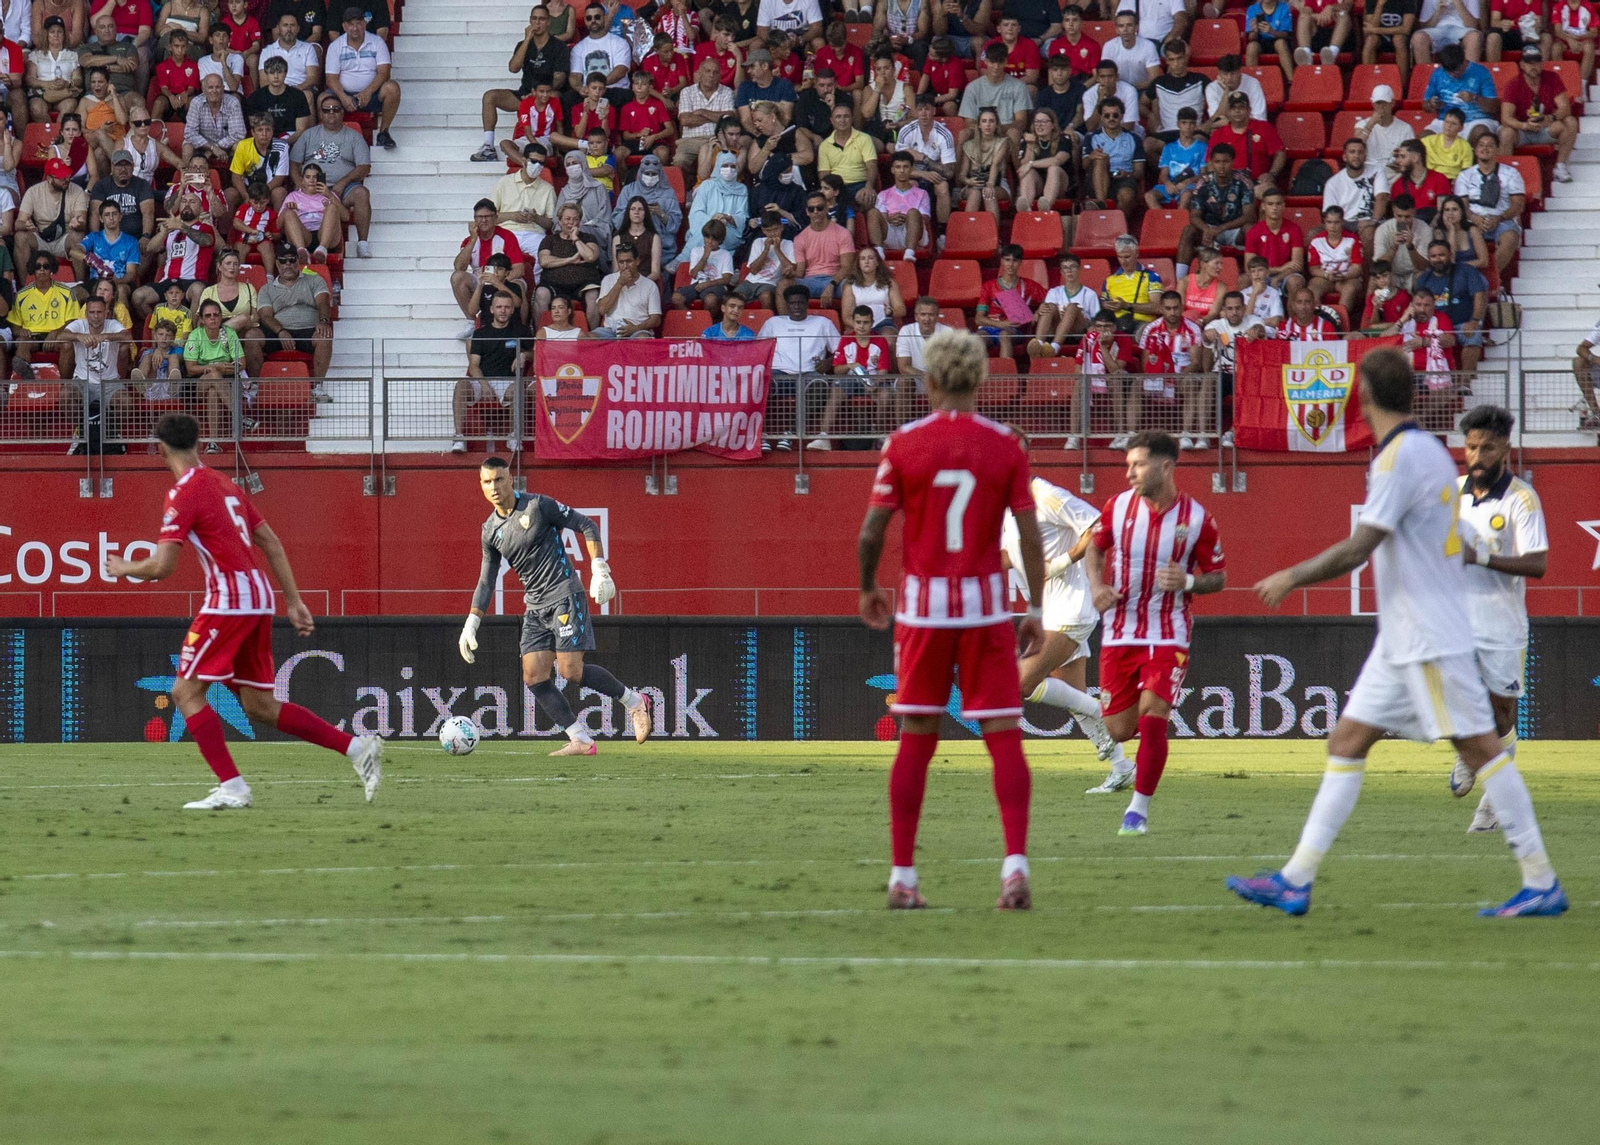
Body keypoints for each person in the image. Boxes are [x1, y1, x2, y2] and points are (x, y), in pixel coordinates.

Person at [1231, 348, 1565, 918]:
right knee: (1347, 741)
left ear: (1361, 395)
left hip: (1426, 635)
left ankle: (1540, 880)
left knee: (1482, 748)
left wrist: (1293, 574)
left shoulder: (1397, 460)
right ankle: (1295, 879)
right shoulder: (1430, 453)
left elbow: (1362, 545)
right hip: (1403, 636)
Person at [101, 413, 382, 809]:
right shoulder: (224, 484)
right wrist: (293, 599)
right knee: (259, 706)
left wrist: (125, 567)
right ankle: (357, 748)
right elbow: (270, 541)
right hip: (258, 598)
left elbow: (162, 566)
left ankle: (232, 786)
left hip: (229, 601)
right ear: (197, 444)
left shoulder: (184, 492)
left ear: (160, 448)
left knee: (185, 691)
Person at [857, 327, 1045, 910]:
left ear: (930, 380)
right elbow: (1031, 534)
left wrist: (868, 587)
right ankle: (1014, 868)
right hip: (986, 608)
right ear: (982, 379)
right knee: (1004, 737)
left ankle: (903, 878)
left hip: (923, 610)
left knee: (916, 740)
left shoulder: (903, 444)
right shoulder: (1006, 446)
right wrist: (1035, 606)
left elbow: (871, 531)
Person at [457, 456, 652, 755]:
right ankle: (581, 740)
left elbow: (585, 524)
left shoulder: (538, 506)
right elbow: (486, 582)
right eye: (487, 482)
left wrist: (599, 568)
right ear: (481, 486)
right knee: (534, 676)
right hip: (535, 607)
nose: (493, 487)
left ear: (511, 480)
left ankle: (635, 703)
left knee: (570, 671)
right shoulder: (490, 531)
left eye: (499, 479)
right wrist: (472, 623)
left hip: (564, 594)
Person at [1082, 431, 1226, 836]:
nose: (1128, 473)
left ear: (1165, 466)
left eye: (1137, 464)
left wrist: (1189, 582)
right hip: (1119, 632)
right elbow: (1094, 548)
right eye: (1127, 465)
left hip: (1169, 632)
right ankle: (1134, 779)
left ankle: (1137, 811)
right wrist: (1096, 588)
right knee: (1119, 728)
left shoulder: (1197, 519)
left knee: (1154, 713)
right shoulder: (1117, 507)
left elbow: (1217, 578)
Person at [1450, 405, 1549, 832]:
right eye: (1471, 446)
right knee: (1454, 701)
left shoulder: (1521, 499)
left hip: (1501, 624)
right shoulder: (1449, 493)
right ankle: (1467, 754)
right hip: (1453, 621)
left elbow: (1538, 564)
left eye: (1487, 447)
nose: (1477, 456)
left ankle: (1493, 800)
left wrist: (1480, 557)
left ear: (1505, 448)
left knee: (1503, 711)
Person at [1001, 474, 1129, 785]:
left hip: (1072, 608)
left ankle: (1103, 713)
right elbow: (1007, 558)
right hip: (1050, 611)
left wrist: (1067, 559)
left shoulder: (1045, 494)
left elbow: (1097, 525)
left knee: (1020, 683)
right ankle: (1122, 768)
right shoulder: (1005, 509)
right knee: (1075, 698)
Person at [473, 6, 570, 161]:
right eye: (534, 18)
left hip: (545, 95)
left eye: (542, 19)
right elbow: (513, 68)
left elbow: (559, 78)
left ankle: (557, 148)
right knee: (490, 96)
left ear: (549, 22)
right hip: (524, 95)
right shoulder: (523, 44)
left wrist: (538, 94)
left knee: (555, 96)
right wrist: (526, 41)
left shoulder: (558, 46)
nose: (537, 23)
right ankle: (488, 146)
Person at [289, 94, 372, 258]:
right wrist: (300, 183)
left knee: (362, 193)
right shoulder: (309, 135)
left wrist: (343, 182)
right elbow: (293, 163)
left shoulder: (354, 136)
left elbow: (364, 167)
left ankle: (362, 243)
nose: (331, 113)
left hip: (343, 187)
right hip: (311, 185)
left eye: (336, 109)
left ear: (342, 113)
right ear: (320, 114)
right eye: (326, 110)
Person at [451, 291, 535, 451]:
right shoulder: (480, 333)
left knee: (517, 389)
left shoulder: (522, 331)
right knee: (461, 385)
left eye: (507, 307)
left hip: (509, 381)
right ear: (491, 310)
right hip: (483, 380)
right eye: (499, 307)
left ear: (512, 310)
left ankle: (514, 437)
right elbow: (474, 364)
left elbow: (536, 353)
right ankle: (459, 439)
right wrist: (484, 385)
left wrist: (525, 354)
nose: (503, 310)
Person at [756, 283, 838, 450]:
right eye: (793, 303)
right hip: (779, 374)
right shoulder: (773, 323)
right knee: (761, 383)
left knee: (820, 385)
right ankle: (761, 436)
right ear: (787, 305)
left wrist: (828, 362)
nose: (797, 307)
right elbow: (758, 350)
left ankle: (790, 432)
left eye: (800, 303)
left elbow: (841, 352)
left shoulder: (823, 323)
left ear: (807, 303)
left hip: (809, 375)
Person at [452, 198, 530, 339]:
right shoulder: (469, 240)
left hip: (504, 278)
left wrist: (497, 281)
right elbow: (459, 266)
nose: (483, 220)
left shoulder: (507, 236)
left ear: (495, 218)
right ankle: (471, 321)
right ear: (474, 220)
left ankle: (522, 328)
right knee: (457, 277)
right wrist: (473, 239)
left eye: (487, 216)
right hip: (481, 280)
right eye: (479, 217)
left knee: (518, 285)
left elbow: (519, 269)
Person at [814, 303, 891, 445]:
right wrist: (851, 365)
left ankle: (879, 433)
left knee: (885, 395)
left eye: (866, 322)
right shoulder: (845, 340)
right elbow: (837, 370)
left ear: (872, 323)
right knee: (836, 391)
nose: (862, 326)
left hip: (873, 380)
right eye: (858, 322)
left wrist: (874, 384)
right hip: (850, 380)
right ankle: (823, 437)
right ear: (853, 323)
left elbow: (883, 371)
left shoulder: (881, 341)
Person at [1137, 291, 1207, 447]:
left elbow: (1196, 362)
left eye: (1176, 308)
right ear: (1161, 308)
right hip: (1157, 377)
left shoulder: (1193, 329)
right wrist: (1160, 378)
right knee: (1136, 385)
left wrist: (1176, 378)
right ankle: (1128, 435)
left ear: (1182, 307)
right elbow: (1145, 362)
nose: (1172, 312)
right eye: (1168, 308)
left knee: (1191, 385)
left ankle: (1186, 434)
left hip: (1182, 377)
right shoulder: (1150, 329)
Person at [256, 240, 333, 380]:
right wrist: (281, 331)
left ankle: (318, 386)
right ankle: (253, 386)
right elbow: (265, 316)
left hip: (308, 330)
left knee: (324, 335)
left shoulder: (314, 280)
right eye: (283, 261)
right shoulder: (266, 288)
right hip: (278, 332)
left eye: (292, 260)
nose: (288, 264)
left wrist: (323, 321)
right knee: (251, 336)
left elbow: (323, 302)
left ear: (298, 261)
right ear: (277, 263)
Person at [324, 5, 399, 150]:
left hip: (371, 94)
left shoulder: (377, 42)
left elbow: (384, 73)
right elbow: (331, 78)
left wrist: (368, 92)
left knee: (392, 88)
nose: (355, 28)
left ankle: (383, 133)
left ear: (365, 23)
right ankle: (328, 137)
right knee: (323, 99)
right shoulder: (335, 46)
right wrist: (343, 96)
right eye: (351, 24)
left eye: (359, 23)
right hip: (344, 95)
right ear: (344, 26)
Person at [1500, 44, 1575, 183]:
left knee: (1570, 121)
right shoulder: (1513, 84)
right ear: (1522, 65)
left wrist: (1551, 117)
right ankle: (1504, 175)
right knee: (1506, 133)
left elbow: (1565, 107)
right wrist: (1524, 126)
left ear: (1542, 63)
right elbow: (1505, 118)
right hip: (1523, 129)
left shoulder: (1552, 77)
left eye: (1537, 62)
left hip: (1545, 127)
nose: (1533, 66)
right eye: (1529, 63)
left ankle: (1560, 166)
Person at [1453, 130, 1524, 273]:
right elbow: (1461, 206)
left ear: (1497, 149)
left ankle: (1489, 279)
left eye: (1490, 145)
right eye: (1481, 145)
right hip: (1473, 219)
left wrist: (1499, 218)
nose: (1485, 148)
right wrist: (1474, 218)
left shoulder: (1511, 173)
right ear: (1475, 149)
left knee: (1510, 237)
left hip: (1501, 219)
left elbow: (1518, 205)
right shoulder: (1465, 175)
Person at [1413, 235, 1488, 370]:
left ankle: (1464, 385)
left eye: (1442, 255)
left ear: (1450, 255)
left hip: (1463, 322)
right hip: (1436, 326)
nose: (1438, 259)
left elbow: (1480, 295)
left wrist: (1475, 320)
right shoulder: (1423, 279)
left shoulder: (1466, 270)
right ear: (1429, 258)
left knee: (1473, 337)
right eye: (1433, 256)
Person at [1181, 143, 1256, 273]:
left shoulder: (1244, 182)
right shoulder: (1203, 182)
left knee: (1251, 229)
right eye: (1217, 162)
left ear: (1233, 162)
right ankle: (1179, 277)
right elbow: (1194, 215)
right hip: (1209, 228)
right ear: (1211, 163)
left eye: (1225, 161)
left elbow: (1249, 215)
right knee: (1188, 230)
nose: (1221, 166)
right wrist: (1206, 229)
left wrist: (1221, 228)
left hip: (1234, 230)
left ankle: (1251, 275)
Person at [15, 157, 88, 272]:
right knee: (20, 236)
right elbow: (18, 223)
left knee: (78, 236)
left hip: (65, 239)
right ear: (49, 179)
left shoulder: (77, 190)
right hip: (41, 239)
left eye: (67, 176)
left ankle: (81, 285)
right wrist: (25, 225)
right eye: (61, 177)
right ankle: (24, 287)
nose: (66, 180)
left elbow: (82, 221)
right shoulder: (33, 192)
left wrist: (78, 224)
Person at [1419, 43, 1498, 144]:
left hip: (1476, 120)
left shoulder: (1481, 72)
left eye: (1457, 70)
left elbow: (1493, 107)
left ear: (1464, 60)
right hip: (1446, 121)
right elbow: (1425, 106)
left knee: (1481, 133)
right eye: (1449, 71)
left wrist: (1474, 98)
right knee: (1424, 137)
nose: (1453, 74)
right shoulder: (1437, 74)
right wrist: (1431, 104)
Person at [785, 189, 853, 303]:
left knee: (851, 287)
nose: (815, 211)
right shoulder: (799, 238)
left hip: (835, 280)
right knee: (783, 284)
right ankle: (789, 320)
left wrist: (832, 284)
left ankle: (849, 320)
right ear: (807, 212)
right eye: (811, 209)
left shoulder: (843, 233)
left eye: (820, 208)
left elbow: (847, 267)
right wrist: (790, 272)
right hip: (809, 282)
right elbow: (800, 272)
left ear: (827, 208)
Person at [975, 242, 1042, 358]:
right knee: (979, 338)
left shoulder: (1029, 285)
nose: (1010, 264)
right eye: (1007, 260)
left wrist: (1038, 311)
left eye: (1015, 261)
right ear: (1001, 261)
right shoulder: (988, 286)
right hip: (990, 328)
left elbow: (1051, 298)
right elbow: (978, 319)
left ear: (1020, 262)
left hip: (1013, 331)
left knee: (1004, 335)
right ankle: (980, 375)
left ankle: (1006, 375)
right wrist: (1001, 324)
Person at [277, 160, 346, 264]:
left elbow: (346, 217)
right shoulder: (293, 196)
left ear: (321, 178)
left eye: (315, 177)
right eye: (308, 177)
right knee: (288, 212)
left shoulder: (329, 194)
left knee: (332, 207)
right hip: (303, 237)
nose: (312, 180)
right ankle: (301, 253)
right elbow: (278, 225)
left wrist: (329, 195)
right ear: (302, 180)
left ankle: (322, 250)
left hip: (326, 236)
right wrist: (288, 209)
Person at [1085, 96, 1142, 217]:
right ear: (1101, 117)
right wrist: (1091, 157)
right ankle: (1101, 204)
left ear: (1122, 116)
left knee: (1126, 196)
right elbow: (1083, 165)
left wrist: (1126, 174)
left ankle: (1117, 228)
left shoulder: (1134, 138)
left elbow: (1139, 171)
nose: (1111, 119)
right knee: (1101, 158)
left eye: (1115, 115)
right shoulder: (1091, 137)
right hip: (1097, 177)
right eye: (1107, 116)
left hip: (1124, 178)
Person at [74, 199, 140, 301]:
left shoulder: (131, 241)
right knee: (74, 293)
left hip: (120, 281)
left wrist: (116, 281)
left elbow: (131, 273)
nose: (111, 218)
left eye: (114, 214)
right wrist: (95, 263)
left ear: (120, 216)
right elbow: (74, 251)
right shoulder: (94, 237)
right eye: (107, 215)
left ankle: (120, 318)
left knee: (121, 290)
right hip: (96, 281)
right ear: (101, 218)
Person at [1307, 204, 1365, 317]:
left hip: (1347, 277)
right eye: (1329, 222)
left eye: (1336, 222)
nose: (1332, 226)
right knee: (1312, 289)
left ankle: (1339, 322)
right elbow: (1313, 269)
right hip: (1325, 277)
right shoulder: (1316, 241)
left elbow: (1357, 268)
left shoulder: (1353, 240)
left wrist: (1345, 276)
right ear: (1324, 222)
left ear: (1342, 222)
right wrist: (1326, 275)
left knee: (1350, 289)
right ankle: (1319, 320)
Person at [592, 241, 660, 337]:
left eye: (629, 261)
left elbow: (656, 319)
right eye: (621, 262)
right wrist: (619, 284)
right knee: (587, 338)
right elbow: (602, 310)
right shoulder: (608, 280)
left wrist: (636, 328)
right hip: (610, 330)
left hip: (638, 330)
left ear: (637, 261)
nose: (625, 266)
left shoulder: (650, 285)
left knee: (643, 338)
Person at [956, 105, 1011, 223]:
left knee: (988, 193)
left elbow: (995, 164)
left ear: (996, 125)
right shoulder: (969, 145)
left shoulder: (1003, 142)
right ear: (979, 125)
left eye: (992, 121)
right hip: (973, 184)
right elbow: (962, 175)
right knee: (976, 191)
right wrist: (968, 181)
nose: (988, 125)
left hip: (997, 183)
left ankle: (993, 236)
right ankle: (969, 234)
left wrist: (990, 184)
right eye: (984, 121)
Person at [1145, 105, 1206, 211]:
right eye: (1184, 123)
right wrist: (1168, 184)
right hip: (1172, 184)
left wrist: (1187, 182)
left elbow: (1204, 174)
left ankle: (1178, 225)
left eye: (1191, 123)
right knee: (1149, 196)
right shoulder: (1169, 147)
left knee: (1186, 196)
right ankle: (1164, 223)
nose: (1188, 126)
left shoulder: (1203, 147)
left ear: (1195, 125)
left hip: (1190, 185)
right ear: (1178, 124)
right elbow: (1163, 174)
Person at [734, 207, 794, 309]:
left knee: (766, 297)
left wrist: (777, 249)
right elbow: (753, 270)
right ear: (763, 231)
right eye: (768, 231)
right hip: (750, 281)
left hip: (770, 283)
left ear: (782, 227)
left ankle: (766, 321)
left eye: (775, 229)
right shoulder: (758, 242)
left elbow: (790, 268)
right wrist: (765, 250)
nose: (772, 234)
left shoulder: (788, 244)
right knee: (735, 298)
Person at [671, 218, 734, 316]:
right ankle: (692, 323)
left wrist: (708, 284)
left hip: (716, 285)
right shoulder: (696, 251)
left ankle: (707, 325)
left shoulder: (726, 254)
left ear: (720, 240)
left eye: (714, 239)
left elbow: (726, 279)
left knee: (710, 300)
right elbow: (694, 274)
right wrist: (705, 256)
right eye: (707, 237)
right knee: (676, 298)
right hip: (697, 283)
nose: (710, 241)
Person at [1101, 234, 1162, 333]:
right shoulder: (1109, 280)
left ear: (1136, 253)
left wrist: (1126, 305)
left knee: (1145, 332)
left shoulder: (1151, 276)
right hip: (1116, 324)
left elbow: (1157, 307)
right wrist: (1107, 305)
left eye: (1127, 257)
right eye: (1120, 257)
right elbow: (1103, 305)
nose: (1123, 261)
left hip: (1142, 323)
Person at [242, 54, 311, 141]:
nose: (276, 76)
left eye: (279, 72)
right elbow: (255, 128)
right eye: (272, 72)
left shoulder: (298, 96)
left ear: (285, 73)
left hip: (292, 139)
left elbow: (301, 130)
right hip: (265, 140)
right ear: (266, 74)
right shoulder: (256, 97)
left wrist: (285, 143)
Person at [183, 72, 245, 164]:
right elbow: (190, 133)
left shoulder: (233, 102)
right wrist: (212, 148)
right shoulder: (196, 103)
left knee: (239, 145)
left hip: (226, 146)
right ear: (203, 90)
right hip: (202, 146)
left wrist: (216, 148)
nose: (214, 91)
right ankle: (186, 176)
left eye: (218, 87)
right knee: (187, 145)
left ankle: (235, 178)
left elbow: (238, 134)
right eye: (210, 87)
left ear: (223, 89)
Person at [1354, 84, 1415, 176]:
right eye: (1378, 103)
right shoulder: (1362, 125)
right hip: (1369, 171)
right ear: (1373, 104)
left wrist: (1402, 164)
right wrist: (1370, 124)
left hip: (1395, 173)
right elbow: (1356, 146)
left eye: (1385, 103)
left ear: (1392, 103)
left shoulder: (1405, 128)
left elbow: (1411, 156)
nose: (1381, 107)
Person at [1391, 138, 1452, 221]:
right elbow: (1398, 215)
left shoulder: (1439, 179)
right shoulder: (1397, 185)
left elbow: (1443, 212)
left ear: (1415, 158)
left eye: (1403, 157)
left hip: (1434, 227)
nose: (1398, 161)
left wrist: (1429, 229)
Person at [258, 13, 319, 92]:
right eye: (285, 25)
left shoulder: (308, 48)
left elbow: (312, 77)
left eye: (292, 25)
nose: (289, 29)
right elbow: (264, 81)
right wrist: (281, 92)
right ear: (278, 28)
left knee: (308, 96)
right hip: (276, 92)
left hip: (301, 90)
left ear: (298, 28)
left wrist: (297, 89)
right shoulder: (267, 51)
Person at [1363, 2, 1418, 87]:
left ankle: (1402, 85)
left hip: (1401, 39)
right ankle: (1368, 83)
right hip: (1380, 39)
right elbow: (1369, 28)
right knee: (1370, 40)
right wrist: (1379, 5)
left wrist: (1376, 30)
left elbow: (1406, 29)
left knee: (1398, 39)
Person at [1246, 0, 1296, 79]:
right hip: (1261, 41)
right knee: (1251, 47)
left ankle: (1291, 80)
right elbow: (1251, 37)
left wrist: (1271, 31)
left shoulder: (1284, 7)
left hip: (1278, 39)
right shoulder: (1252, 9)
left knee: (1280, 43)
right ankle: (1252, 81)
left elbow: (1285, 34)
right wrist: (1255, 31)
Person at [1243, 254, 1286, 329]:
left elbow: (1275, 321)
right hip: (1248, 332)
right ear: (1250, 275)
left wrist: (1255, 322)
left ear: (1267, 273)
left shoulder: (1274, 293)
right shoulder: (1243, 294)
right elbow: (1246, 320)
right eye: (1253, 271)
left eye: (1260, 270)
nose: (1256, 274)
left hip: (1267, 333)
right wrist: (1254, 294)